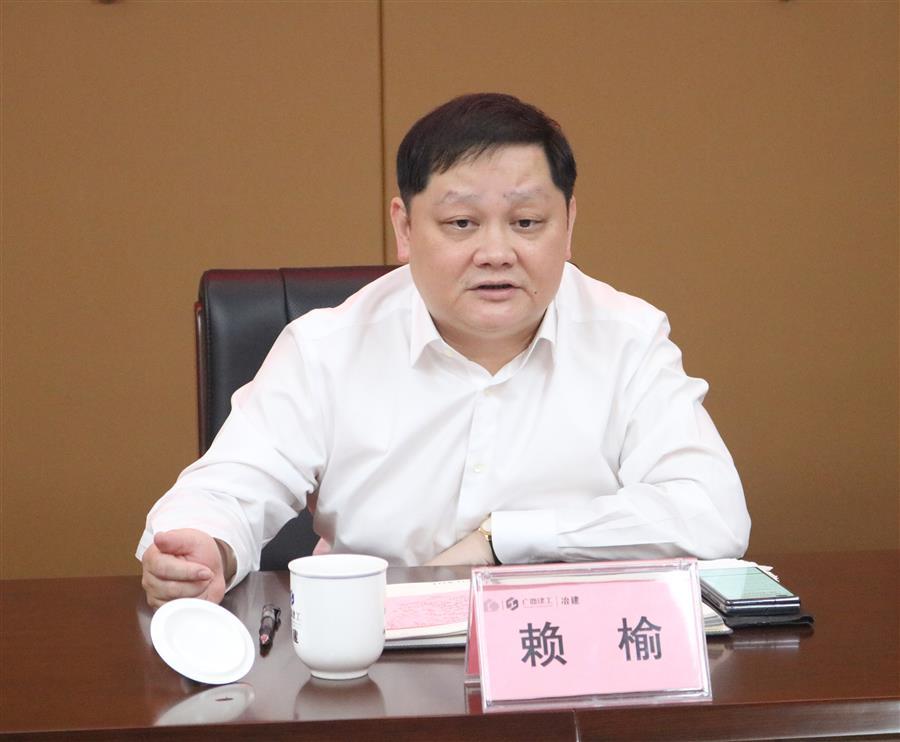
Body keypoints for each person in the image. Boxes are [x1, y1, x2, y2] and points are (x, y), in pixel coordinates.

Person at [138, 93, 750, 608]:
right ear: (405, 228)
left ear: (569, 224)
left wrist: (504, 541)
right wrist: (204, 545)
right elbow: (228, 486)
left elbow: (712, 512)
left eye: (527, 222)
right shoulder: (327, 347)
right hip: (374, 649)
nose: (496, 253)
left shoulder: (627, 337)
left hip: (570, 652)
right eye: (462, 224)